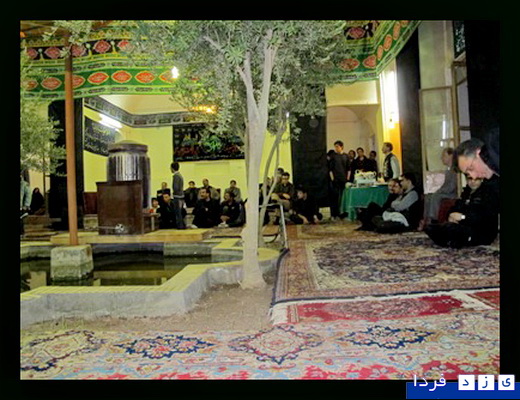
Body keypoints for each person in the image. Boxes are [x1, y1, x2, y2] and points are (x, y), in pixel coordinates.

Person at [424, 174, 499, 248]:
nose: (473, 182)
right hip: (464, 226)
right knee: (430, 228)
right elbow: (456, 207)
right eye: (470, 179)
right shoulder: (466, 192)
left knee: (451, 229)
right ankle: (451, 240)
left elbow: (483, 217)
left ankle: (451, 241)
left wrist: (463, 217)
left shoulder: (488, 194)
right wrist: (450, 215)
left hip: (481, 231)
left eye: (476, 179)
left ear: (481, 179)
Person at [419, 148, 458, 229]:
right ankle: (425, 219)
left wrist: (440, 191)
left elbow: (451, 187)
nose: (442, 158)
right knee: (428, 196)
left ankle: (433, 219)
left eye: (444, 156)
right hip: (446, 192)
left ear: (451, 156)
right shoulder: (448, 170)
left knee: (436, 196)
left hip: (452, 194)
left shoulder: (454, 170)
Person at [328, 140, 350, 220]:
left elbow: (349, 169)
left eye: (337, 147)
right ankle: (334, 214)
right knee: (335, 197)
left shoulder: (346, 156)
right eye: (335, 147)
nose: (336, 148)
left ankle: (343, 213)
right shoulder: (333, 156)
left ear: (342, 147)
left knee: (344, 197)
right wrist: (333, 179)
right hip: (335, 180)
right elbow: (330, 169)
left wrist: (347, 179)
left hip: (343, 179)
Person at [170, 162, 186, 229]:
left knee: (178, 212)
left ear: (172, 168)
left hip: (177, 196)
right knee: (180, 212)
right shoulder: (180, 175)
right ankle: (182, 225)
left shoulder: (176, 176)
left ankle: (180, 225)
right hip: (181, 196)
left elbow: (176, 187)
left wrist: (173, 193)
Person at [20, 174, 32, 238]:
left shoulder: (24, 184)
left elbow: (28, 195)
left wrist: (26, 205)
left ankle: (21, 233)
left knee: (20, 220)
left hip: (21, 207)